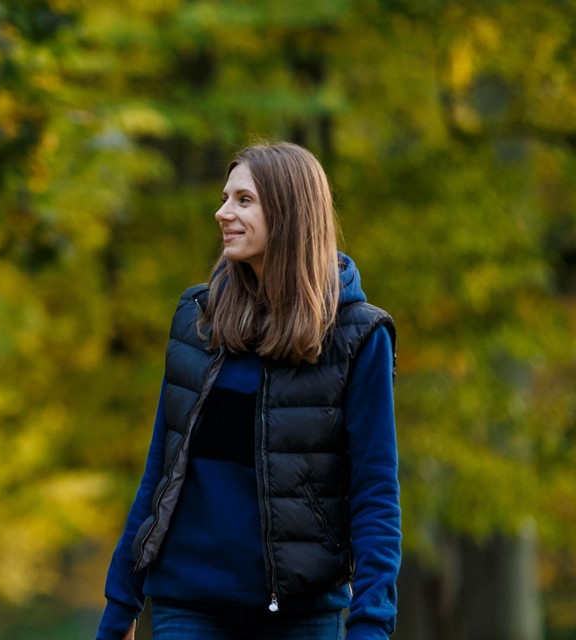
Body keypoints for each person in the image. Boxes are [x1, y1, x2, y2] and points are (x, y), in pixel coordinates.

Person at [97, 142, 400, 640]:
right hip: (187, 604)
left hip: (300, 614)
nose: (222, 213)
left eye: (243, 200)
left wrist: (370, 627)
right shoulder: (198, 320)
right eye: (224, 197)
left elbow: (375, 495)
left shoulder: (358, 338)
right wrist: (120, 605)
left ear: (288, 213)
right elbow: (160, 472)